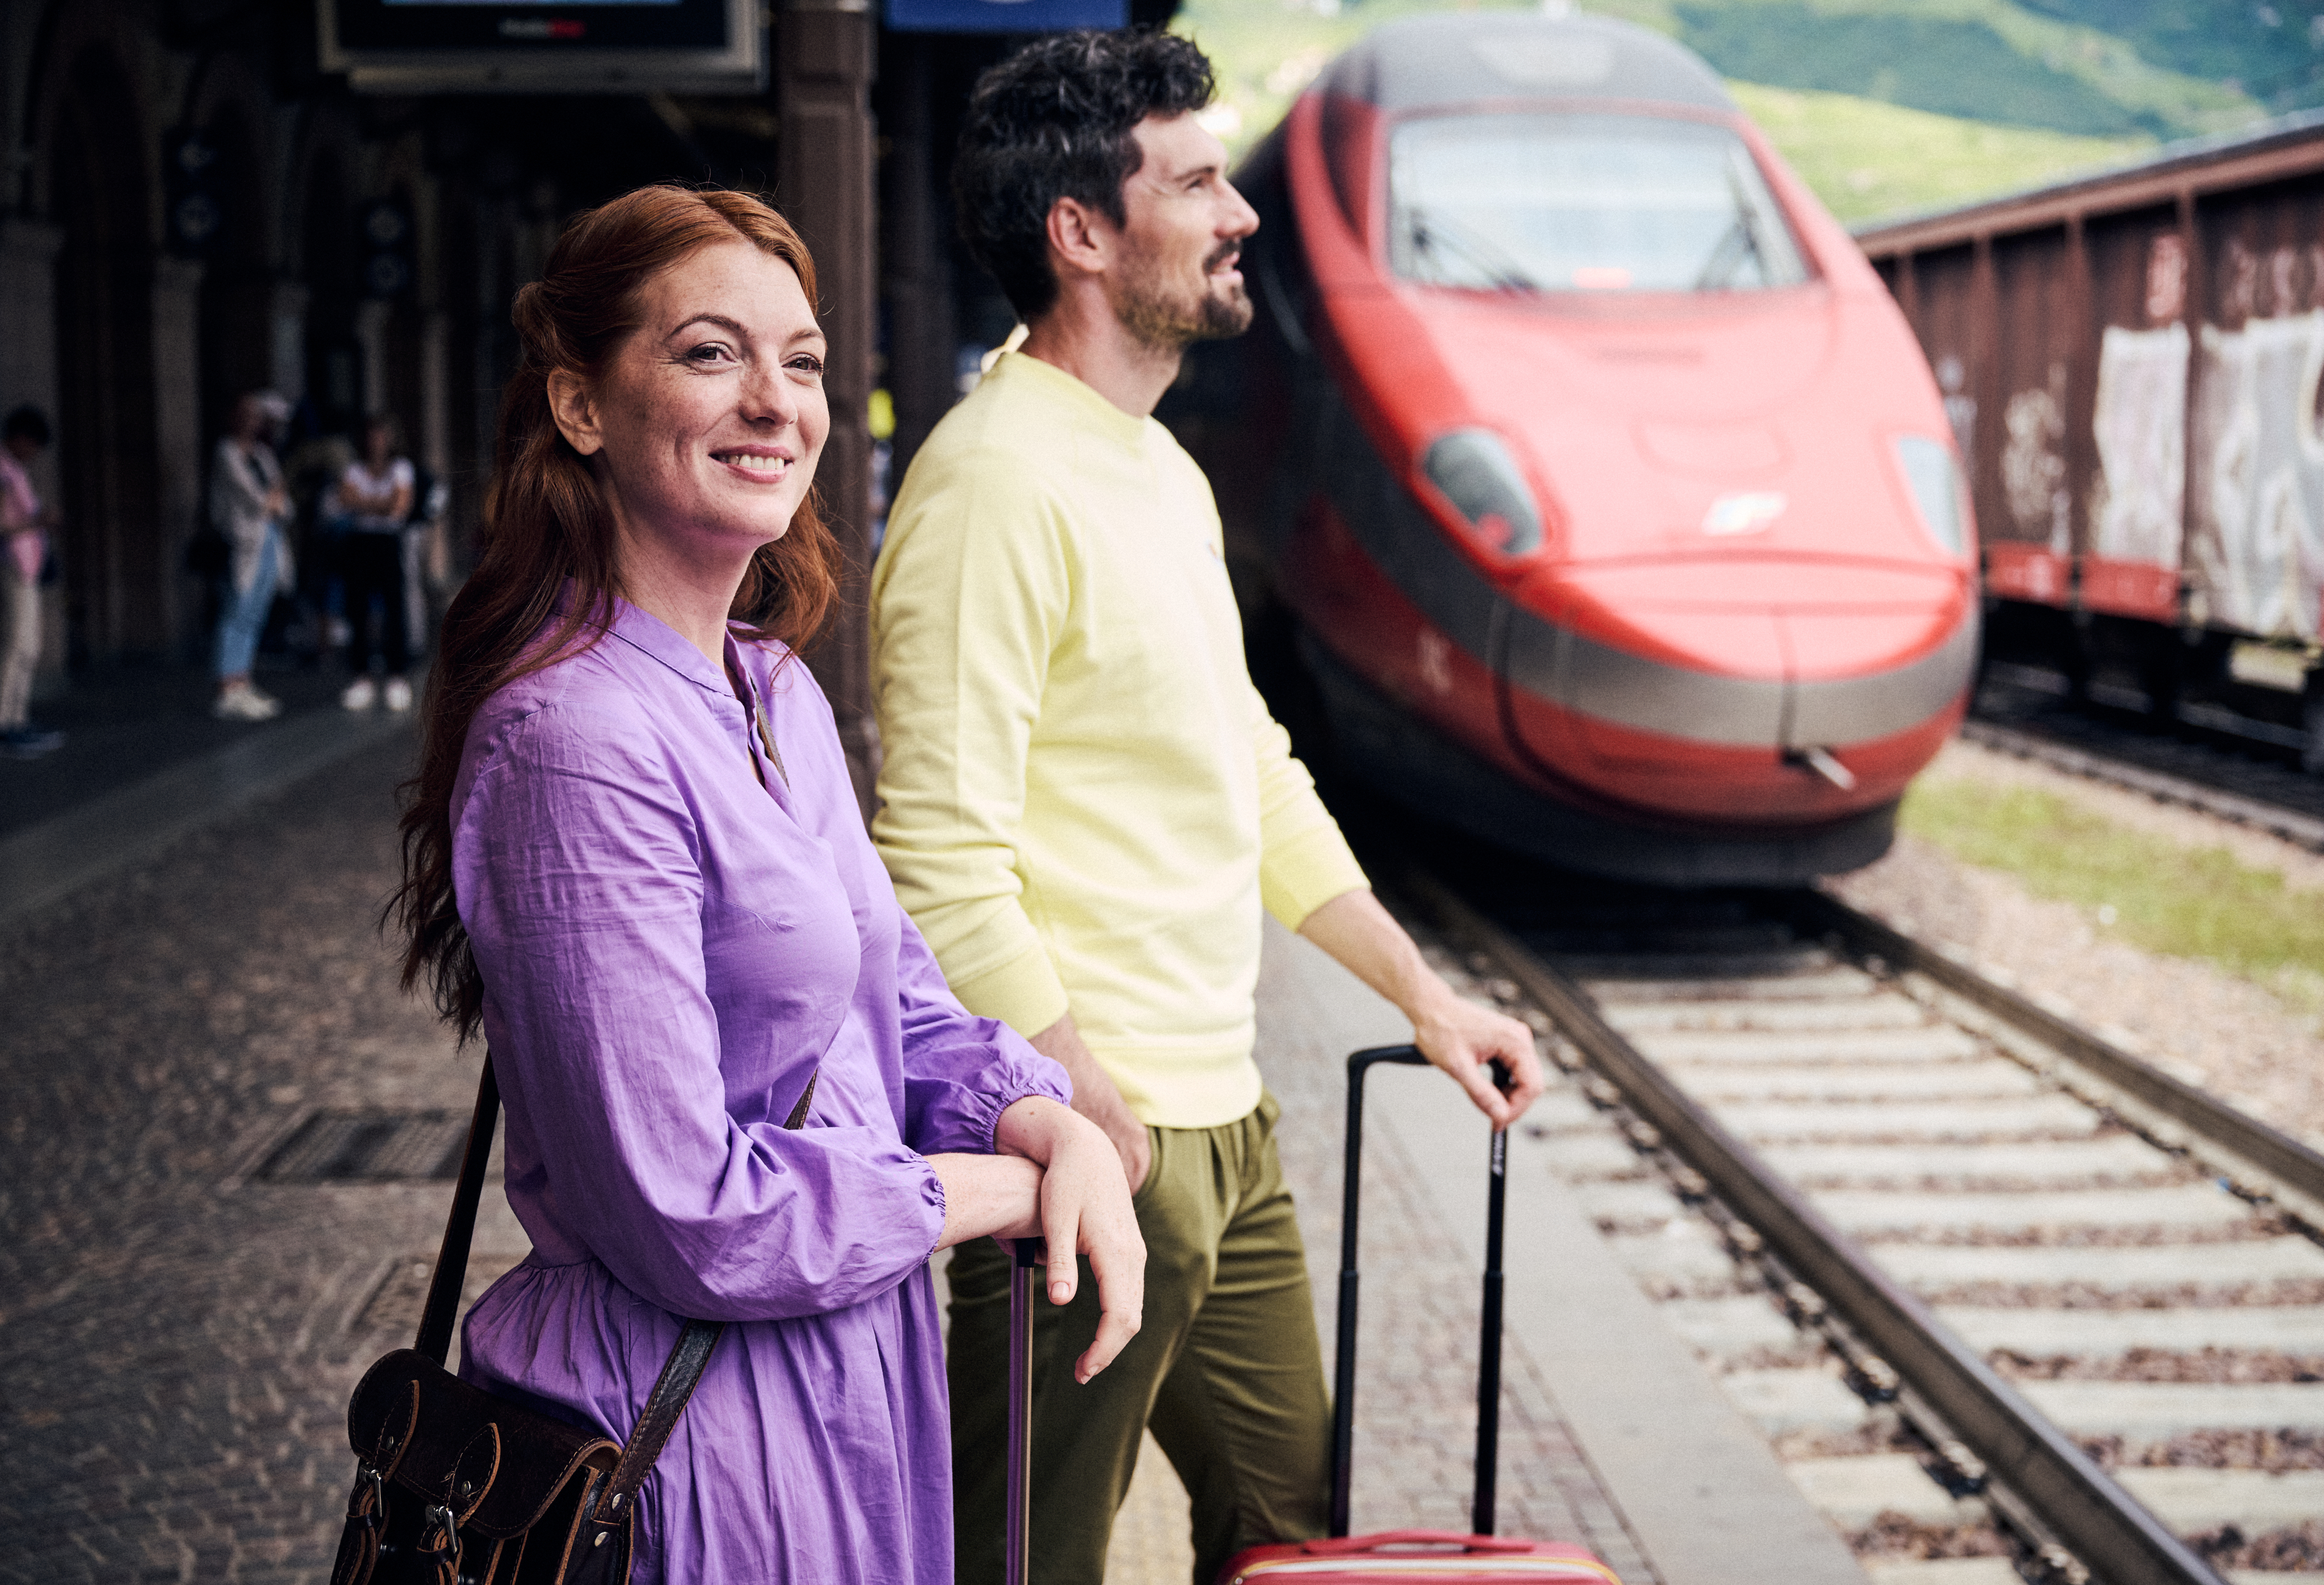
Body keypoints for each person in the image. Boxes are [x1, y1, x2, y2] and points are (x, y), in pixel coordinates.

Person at [388, 184, 1145, 1584]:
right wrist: (991, 1191)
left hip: (853, 1374)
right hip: (688, 1430)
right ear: (580, 405)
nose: (774, 401)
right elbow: (690, 1209)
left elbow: (897, 1006)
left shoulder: (775, 687)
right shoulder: (573, 737)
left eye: (799, 360)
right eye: (705, 352)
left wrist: (1041, 1112)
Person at [869, 30, 1546, 1585]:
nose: (1237, 213)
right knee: (1026, 1560)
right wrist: (1090, 1104)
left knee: (1289, 1528)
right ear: (1081, 235)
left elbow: (1247, 762)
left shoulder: (1154, 469)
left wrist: (1423, 997)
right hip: (1091, 1136)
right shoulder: (990, 486)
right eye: (1194, 180)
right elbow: (935, 857)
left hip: (1224, 1131)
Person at [209, 389, 294, 721]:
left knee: (255, 612)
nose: (251, 421)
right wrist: (270, 501)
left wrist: (273, 501)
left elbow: (283, 500)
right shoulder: (227, 452)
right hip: (243, 542)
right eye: (245, 414)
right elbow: (255, 497)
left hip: (269, 541)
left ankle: (242, 681)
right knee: (237, 609)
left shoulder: (262, 454)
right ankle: (227, 686)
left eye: (256, 416)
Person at [336, 413, 416, 711]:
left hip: (388, 543)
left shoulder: (401, 468)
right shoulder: (354, 469)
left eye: (381, 436)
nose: (376, 442)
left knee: (396, 607)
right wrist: (380, 504)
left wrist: (365, 503)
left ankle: (397, 675)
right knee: (358, 608)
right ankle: (362, 676)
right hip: (360, 543)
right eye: (371, 436)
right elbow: (345, 500)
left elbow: (399, 507)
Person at [0, 404, 62, 758]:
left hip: (28, 565)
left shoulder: (15, 471)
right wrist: (38, 524)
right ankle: (6, 722)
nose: (33, 453)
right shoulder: (5, 472)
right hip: (12, 565)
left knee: (29, 645)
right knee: (16, 645)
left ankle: (17, 717)